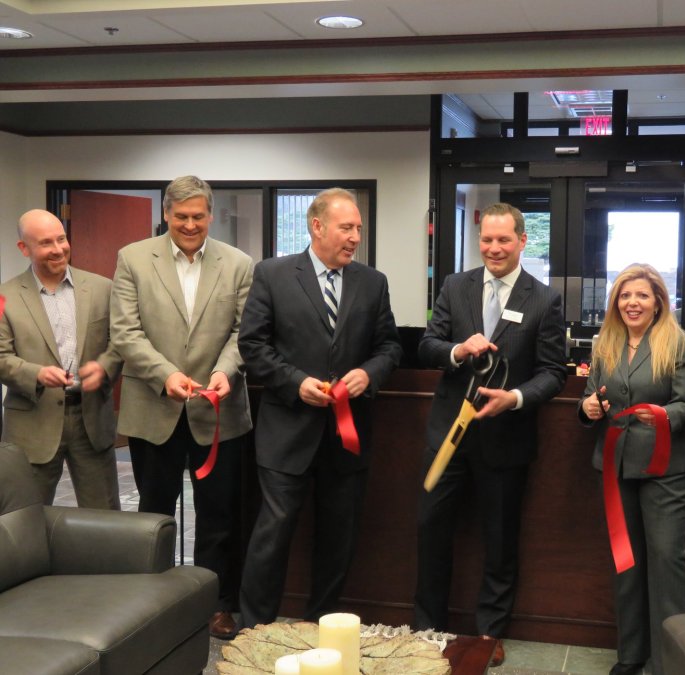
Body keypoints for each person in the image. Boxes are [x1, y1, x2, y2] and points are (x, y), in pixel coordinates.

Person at [237, 187, 402, 629]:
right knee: (272, 536)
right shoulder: (272, 275)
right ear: (316, 226)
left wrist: (369, 373)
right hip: (286, 433)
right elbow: (252, 345)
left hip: (346, 438)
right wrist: (296, 383)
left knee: (338, 539)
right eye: (346, 228)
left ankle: (322, 628)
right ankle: (254, 630)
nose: (354, 238)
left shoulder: (372, 282)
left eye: (358, 230)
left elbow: (389, 345)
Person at [413, 202, 567, 667]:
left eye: (504, 240)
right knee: (431, 530)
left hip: (506, 439)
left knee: (500, 540)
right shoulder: (454, 287)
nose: (494, 248)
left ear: (523, 241)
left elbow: (554, 372)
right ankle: (426, 629)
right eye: (487, 240)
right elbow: (426, 347)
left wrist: (515, 397)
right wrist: (459, 349)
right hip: (449, 435)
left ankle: (488, 634)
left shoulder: (543, 299)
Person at [110, 175, 253, 639]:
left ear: (210, 215)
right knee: (154, 513)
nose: (190, 225)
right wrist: (164, 374)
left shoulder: (238, 264)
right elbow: (125, 333)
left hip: (218, 412)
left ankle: (217, 603)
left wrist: (226, 371)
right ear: (166, 215)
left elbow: (244, 333)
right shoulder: (133, 258)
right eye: (181, 216)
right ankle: (152, 604)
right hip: (155, 408)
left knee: (219, 515)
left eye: (198, 216)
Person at [578, 263, 685, 675]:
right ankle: (630, 656)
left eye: (642, 296)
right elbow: (591, 394)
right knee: (625, 562)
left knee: (666, 562)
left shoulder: (679, 343)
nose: (633, 303)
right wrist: (588, 407)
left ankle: (669, 663)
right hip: (615, 466)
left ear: (658, 302)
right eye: (626, 296)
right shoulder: (605, 342)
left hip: (665, 469)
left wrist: (663, 416)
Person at [0, 209, 122, 508]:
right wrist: (36, 374)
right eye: (45, 243)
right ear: (24, 248)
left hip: (90, 419)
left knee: (105, 520)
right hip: (32, 422)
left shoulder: (102, 288)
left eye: (61, 239)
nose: (58, 249)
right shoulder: (4, 297)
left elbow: (121, 343)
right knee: (24, 519)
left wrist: (105, 366)